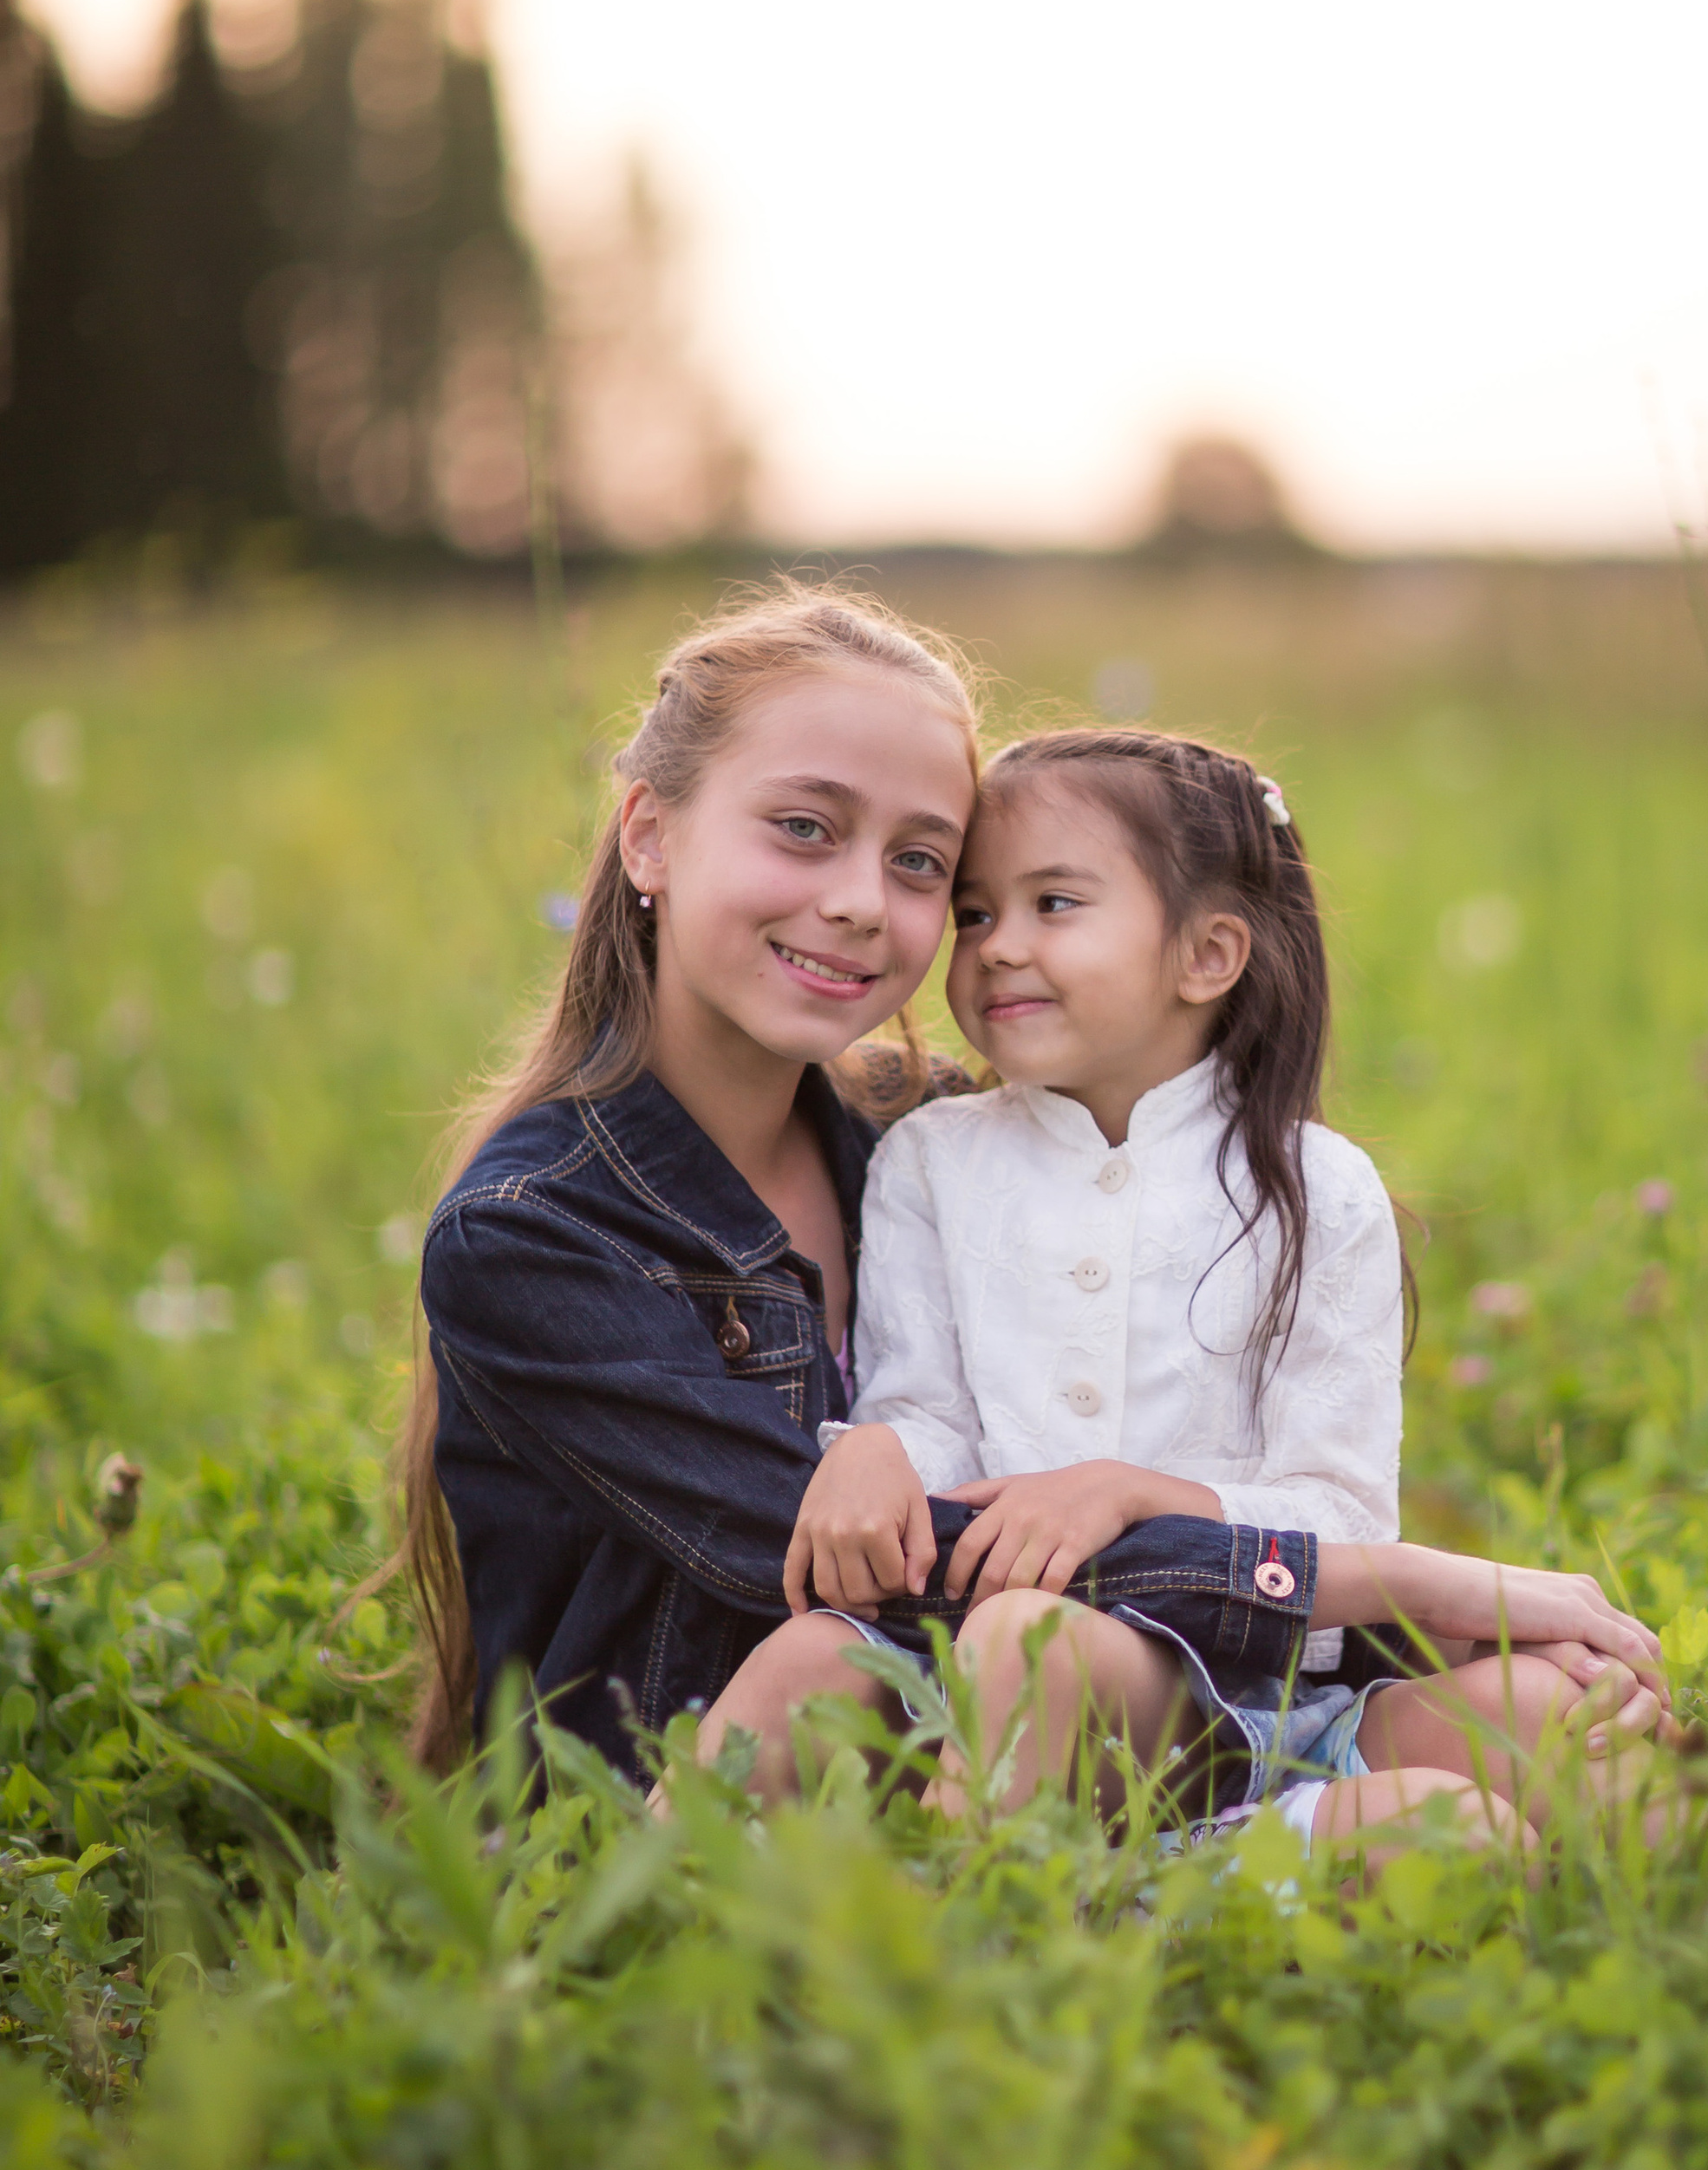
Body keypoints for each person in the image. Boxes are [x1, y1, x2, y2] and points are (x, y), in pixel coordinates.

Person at [399, 592, 1331, 1787]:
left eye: (918, 864)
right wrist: (1372, 1583)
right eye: (801, 827)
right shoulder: (536, 1234)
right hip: (670, 1838)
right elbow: (885, 1567)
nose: (856, 900)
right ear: (649, 836)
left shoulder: (933, 1145)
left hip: (989, 1746)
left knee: (1520, 1742)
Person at [692, 725, 1667, 1864]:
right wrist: (874, 1453)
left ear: (1207, 956)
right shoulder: (933, 1164)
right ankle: (1012, 1906)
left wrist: (1130, 1493)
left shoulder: (1313, 1185)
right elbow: (937, 1425)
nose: (997, 947)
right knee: (1028, 1643)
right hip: (1020, 1685)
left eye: (1055, 904)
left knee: (1562, 1724)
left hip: (1273, 1699)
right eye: (974, 914)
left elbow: (1344, 1517)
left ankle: (1247, 1845)